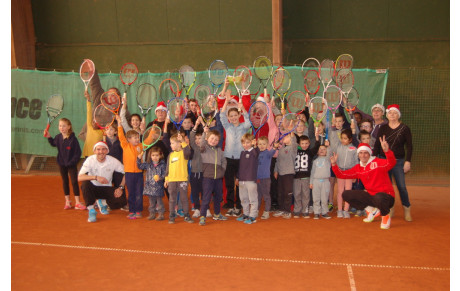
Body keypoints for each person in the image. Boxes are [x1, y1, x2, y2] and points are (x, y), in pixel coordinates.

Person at [331, 140, 396, 229]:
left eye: (365, 153)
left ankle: (385, 216)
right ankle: (371, 211)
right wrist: (334, 164)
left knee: (379, 197)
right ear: (358, 154)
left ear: (369, 154)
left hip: (387, 197)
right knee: (346, 194)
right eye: (360, 153)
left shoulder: (378, 162)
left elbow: (391, 163)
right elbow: (342, 174)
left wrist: (387, 151)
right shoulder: (358, 168)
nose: (363, 155)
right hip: (372, 196)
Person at [373, 104, 413, 221]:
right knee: (386, 187)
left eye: (395, 113)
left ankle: (407, 209)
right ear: (387, 115)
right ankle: (389, 209)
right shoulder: (383, 128)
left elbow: (410, 146)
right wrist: (374, 159)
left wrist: (408, 161)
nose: (392, 115)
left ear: (398, 115)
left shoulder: (405, 128)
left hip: (398, 162)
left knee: (401, 187)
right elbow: (376, 145)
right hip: (383, 161)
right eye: (390, 113)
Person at [78, 142, 127, 223]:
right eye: (98, 149)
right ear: (94, 151)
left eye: (103, 149)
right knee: (85, 184)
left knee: (121, 201)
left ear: (107, 151)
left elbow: (127, 172)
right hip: (93, 188)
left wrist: (121, 187)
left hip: (106, 188)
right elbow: (79, 177)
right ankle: (91, 210)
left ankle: (103, 202)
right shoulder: (90, 160)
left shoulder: (113, 161)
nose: (101, 152)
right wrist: (96, 177)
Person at [220, 94, 251, 217]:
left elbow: (248, 121)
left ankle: (238, 206)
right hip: (228, 158)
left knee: (239, 183)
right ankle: (230, 204)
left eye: (235, 115)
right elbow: (221, 116)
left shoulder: (244, 127)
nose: (233, 118)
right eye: (231, 116)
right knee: (229, 182)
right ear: (228, 117)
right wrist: (226, 102)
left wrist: (242, 108)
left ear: (239, 115)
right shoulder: (227, 126)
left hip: (240, 159)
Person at [44, 118, 84, 210]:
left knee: (74, 182)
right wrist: (49, 137)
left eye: (64, 126)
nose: (62, 127)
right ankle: (68, 201)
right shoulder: (58, 137)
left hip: (71, 165)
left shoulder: (73, 139)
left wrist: (72, 162)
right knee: (65, 182)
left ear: (69, 127)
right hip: (61, 164)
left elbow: (78, 153)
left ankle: (77, 202)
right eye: (60, 126)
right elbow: (54, 143)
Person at [197, 127, 228, 226]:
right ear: (207, 138)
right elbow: (201, 143)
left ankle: (217, 214)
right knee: (206, 197)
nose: (214, 141)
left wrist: (222, 171)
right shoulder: (204, 148)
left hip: (218, 178)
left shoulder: (220, 150)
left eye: (216, 139)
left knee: (218, 197)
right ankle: (202, 216)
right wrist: (204, 133)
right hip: (207, 178)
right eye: (212, 138)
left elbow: (224, 161)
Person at [115, 115, 145, 219]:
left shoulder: (141, 146)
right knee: (131, 192)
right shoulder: (125, 145)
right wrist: (119, 123)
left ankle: (138, 210)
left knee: (139, 193)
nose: (137, 139)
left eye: (138, 137)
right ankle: (132, 210)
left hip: (139, 173)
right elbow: (120, 135)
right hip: (128, 174)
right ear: (129, 139)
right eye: (135, 138)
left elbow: (149, 140)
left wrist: (153, 133)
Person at [328, 128, 359, 218]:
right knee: (340, 191)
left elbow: (356, 162)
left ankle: (346, 210)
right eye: (342, 138)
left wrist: (355, 175)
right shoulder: (338, 147)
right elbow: (333, 139)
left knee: (348, 192)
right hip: (340, 172)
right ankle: (340, 210)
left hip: (350, 173)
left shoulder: (354, 149)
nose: (343, 140)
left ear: (350, 139)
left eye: (345, 138)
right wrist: (333, 128)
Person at [164, 133, 193, 224]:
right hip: (172, 180)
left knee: (184, 198)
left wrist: (183, 141)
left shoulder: (184, 153)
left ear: (178, 144)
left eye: (172, 143)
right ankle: (172, 215)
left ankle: (186, 215)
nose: (170, 145)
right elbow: (168, 168)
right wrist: (166, 179)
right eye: (170, 143)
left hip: (182, 180)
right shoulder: (170, 155)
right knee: (172, 199)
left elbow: (188, 152)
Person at [137, 146, 166, 221]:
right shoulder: (148, 164)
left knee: (159, 202)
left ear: (160, 155)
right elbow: (140, 166)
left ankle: (161, 214)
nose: (155, 157)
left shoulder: (163, 165)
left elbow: (165, 174)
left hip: (158, 187)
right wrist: (139, 159)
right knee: (151, 202)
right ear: (150, 156)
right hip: (149, 187)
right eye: (153, 155)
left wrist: (160, 178)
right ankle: (152, 214)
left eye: (157, 155)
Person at [293, 135, 320, 218]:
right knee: (297, 194)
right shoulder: (295, 151)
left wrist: (317, 139)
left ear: (309, 144)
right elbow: (293, 142)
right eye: (302, 143)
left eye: (306, 143)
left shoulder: (310, 153)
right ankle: (297, 210)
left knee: (306, 195)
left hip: (306, 177)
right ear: (299, 144)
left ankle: (305, 210)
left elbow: (316, 148)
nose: (304, 145)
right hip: (296, 177)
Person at [235, 133, 259, 224]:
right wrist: (237, 178)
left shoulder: (254, 152)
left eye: (248, 142)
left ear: (252, 143)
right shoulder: (242, 153)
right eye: (243, 143)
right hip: (242, 180)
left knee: (253, 199)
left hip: (251, 180)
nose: (245, 145)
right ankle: (246, 214)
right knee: (243, 198)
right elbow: (240, 167)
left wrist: (254, 146)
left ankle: (253, 216)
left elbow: (256, 153)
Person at [273, 132, 298, 219]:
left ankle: (287, 211)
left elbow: (294, 143)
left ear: (290, 138)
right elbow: (277, 161)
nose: (283, 138)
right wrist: (276, 170)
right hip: (280, 173)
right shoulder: (281, 149)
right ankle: (281, 209)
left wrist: (292, 134)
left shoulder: (293, 148)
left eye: (286, 136)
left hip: (288, 174)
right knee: (280, 192)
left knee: (288, 192)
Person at [256, 136, 276, 220]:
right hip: (257, 179)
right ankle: (256, 210)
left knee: (266, 196)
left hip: (265, 178)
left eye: (264, 144)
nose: (261, 146)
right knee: (258, 196)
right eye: (260, 144)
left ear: (267, 145)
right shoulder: (256, 153)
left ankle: (266, 211)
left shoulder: (268, 153)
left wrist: (275, 147)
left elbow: (272, 151)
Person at [310, 144, 332, 219]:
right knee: (316, 198)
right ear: (317, 151)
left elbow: (330, 152)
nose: (322, 150)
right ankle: (316, 212)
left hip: (325, 181)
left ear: (326, 152)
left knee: (324, 198)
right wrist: (311, 182)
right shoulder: (315, 161)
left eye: (324, 149)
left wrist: (328, 147)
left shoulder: (328, 160)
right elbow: (312, 172)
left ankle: (324, 212)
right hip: (316, 181)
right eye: (320, 149)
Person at [82, 90, 103, 157]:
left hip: (97, 156)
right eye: (93, 121)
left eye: (96, 122)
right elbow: (89, 112)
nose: (93, 123)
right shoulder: (89, 126)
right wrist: (88, 99)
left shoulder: (103, 132)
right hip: (87, 156)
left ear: (100, 124)